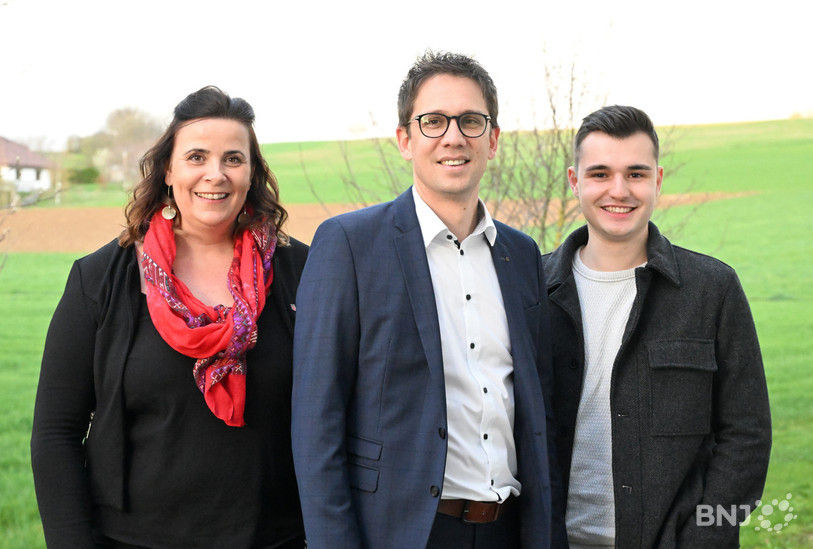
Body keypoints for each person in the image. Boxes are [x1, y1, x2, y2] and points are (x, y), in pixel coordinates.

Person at [290, 51, 564, 549]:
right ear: (405, 139)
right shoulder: (349, 245)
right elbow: (316, 421)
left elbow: (536, 410)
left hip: (509, 528)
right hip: (403, 531)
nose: (453, 137)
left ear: (494, 139)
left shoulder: (521, 256)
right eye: (433, 121)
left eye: (471, 121)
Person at [30, 86, 308, 548]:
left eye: (233, 159)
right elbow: (56, 434)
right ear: (168, 169)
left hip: (277, 537)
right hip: (132, 539)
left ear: (253, 171)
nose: (215, 175)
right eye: (197, 156)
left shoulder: (302, 271)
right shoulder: (100, 279)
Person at [542, 105, 771, 548]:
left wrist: (708, 533)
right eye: (600, 174)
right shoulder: (528, 290)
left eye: (636, 174)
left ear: (658, 180)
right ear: (575, 181)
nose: (619, 190)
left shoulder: (712, 290)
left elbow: (748, 438)